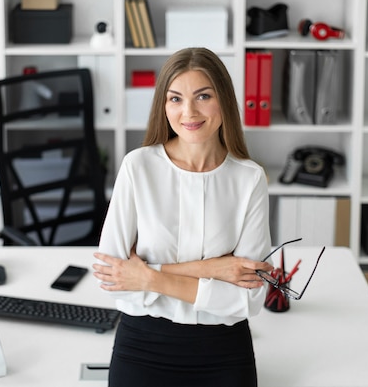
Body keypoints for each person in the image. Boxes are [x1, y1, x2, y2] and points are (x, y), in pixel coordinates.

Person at [92, 47, 274, 387]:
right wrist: (212, 270)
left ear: (224, 100)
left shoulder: (249, 179)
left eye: (202, 96)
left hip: (223, 349)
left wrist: (149, 278)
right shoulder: (138, 167)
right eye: (175, 99)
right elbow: (112, 279)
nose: (188, 111)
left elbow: (248, 299)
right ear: (164, 106)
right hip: (142, 346)